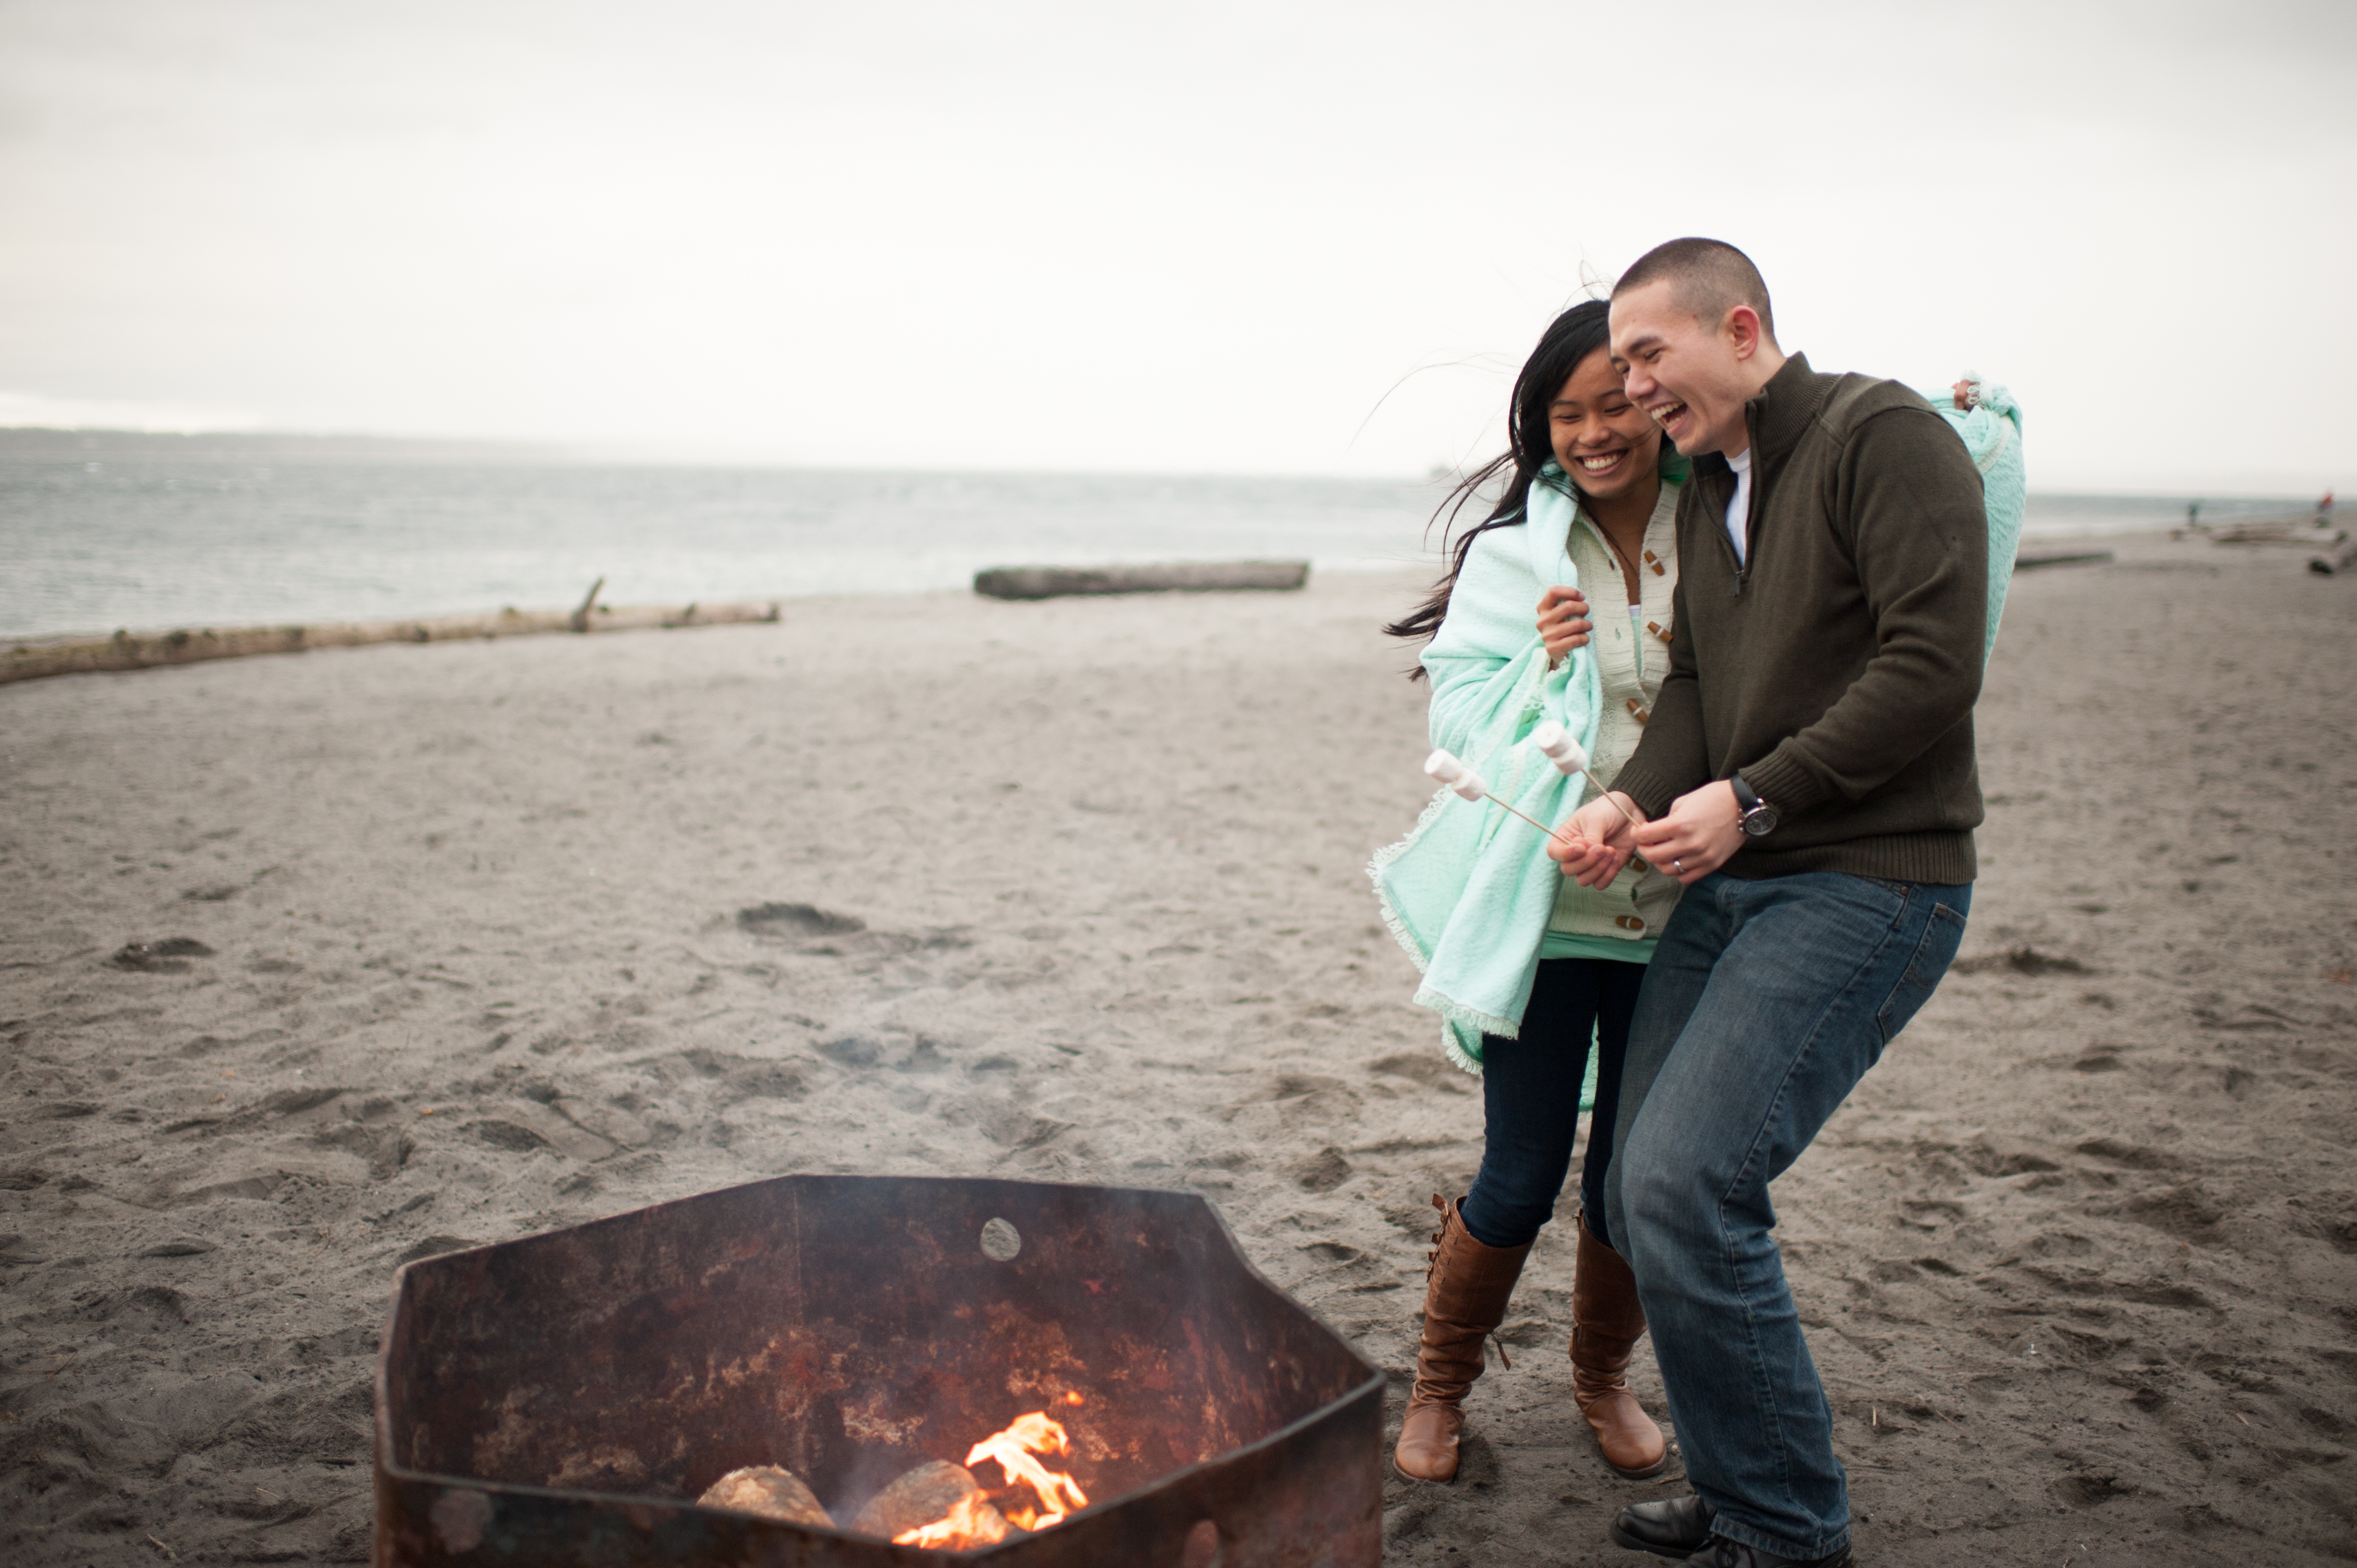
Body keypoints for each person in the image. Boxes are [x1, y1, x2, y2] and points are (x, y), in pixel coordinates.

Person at [1549, 239, 1988, 1568]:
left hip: (1869, 881)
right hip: (1736, 880)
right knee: (1634, 1195)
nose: (1629, 391)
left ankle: (1789, 1535)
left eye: (1644, 356)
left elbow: (1933, 666)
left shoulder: (1885, 436)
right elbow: (1692, 691)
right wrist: (1629, 800)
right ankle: (1747, 1489)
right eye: (1617, 365)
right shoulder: (1704, 487)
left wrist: (1753, 799)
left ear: (1738, 329)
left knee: (1685, 1184)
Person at [1371, 298, 1687, 1487]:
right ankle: (1438, 1390)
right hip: (1549, 918)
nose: (1595, 432)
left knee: (1627, 1178)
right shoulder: (1514, 560)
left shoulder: (1718, 533)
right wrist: (1536, 662)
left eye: (1616, 403)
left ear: (1658, 400)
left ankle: (1600, 1379)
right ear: (1539, 426)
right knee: (1521, 1170)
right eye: (1567, 414)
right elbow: (1455, 720)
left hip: (1676, 918)